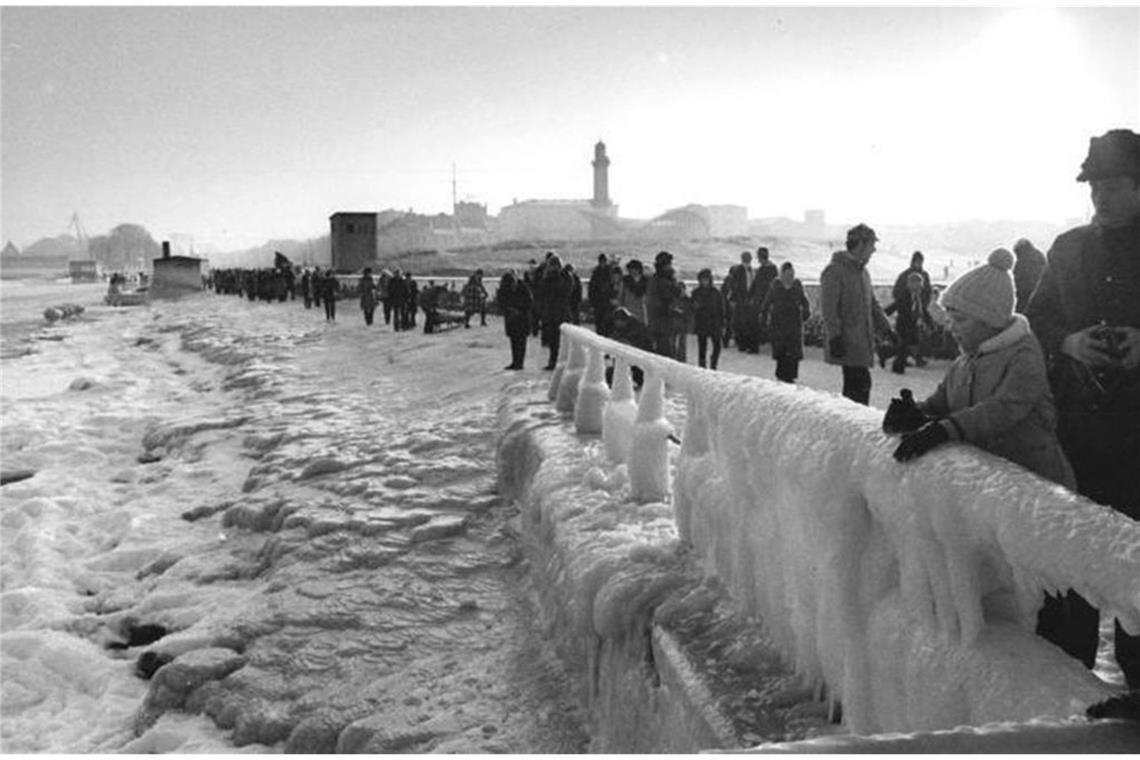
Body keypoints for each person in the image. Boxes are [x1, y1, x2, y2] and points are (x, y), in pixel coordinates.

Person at [1024, 127, 1140, 690]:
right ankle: (1066, 696)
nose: (1100, 196)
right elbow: (1037, 319)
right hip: (1078, 434)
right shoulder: (1067, 249)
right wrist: (1069, 342)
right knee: (1070, 562)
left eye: (1113, 185)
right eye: (1094, 186)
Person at [821, 223, 895, 405]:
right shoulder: (835, 271)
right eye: (871, 245)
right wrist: (835, 337)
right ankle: (853, 420)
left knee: (860, 386)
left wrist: (887, 330)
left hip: (862, 341)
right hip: (847, 342)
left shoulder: (863, 272)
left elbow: (873, 305)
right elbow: (829, 308)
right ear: (860, 245)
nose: (874, 250)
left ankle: (853, 418)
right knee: (858, 386)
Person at [760, 262, 811, 383]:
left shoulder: (797, 285)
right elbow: (766, 303)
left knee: (793, 351)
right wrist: (764, 318)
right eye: (787, 274)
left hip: (794, 323)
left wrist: (805, 313)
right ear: (782, 274)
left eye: (791, 274)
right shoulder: (775, 286)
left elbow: (805, 302)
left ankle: (791, 375)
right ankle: (781, 375)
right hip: (779, 323)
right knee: (781, 350)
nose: (790, 277)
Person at [883, 272, 935, 374]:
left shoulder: (917, 296)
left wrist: (930, 322)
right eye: (918, 284)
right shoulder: (904, 295)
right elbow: (894, 306)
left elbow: (923, 311)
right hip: (903, 325)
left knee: (907, 346)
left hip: (912, 326)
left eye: (921, 285)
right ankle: (897, 367)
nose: (920, 287)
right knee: (904, 346)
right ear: (910, 284)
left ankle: (886, 353)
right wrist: (882, 315)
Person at [537, 254, 574, 370]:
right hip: (550, 313)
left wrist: (555, 278)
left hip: (561, 313)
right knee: (552, 341)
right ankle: (553, 361)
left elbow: (566, 291)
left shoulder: (565, 276)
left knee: (562, 341)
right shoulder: (547, 278)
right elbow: (542, 292)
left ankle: (563, 362)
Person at [645, 251, 684, 359]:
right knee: (666, 353)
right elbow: (674, 293)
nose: (670, 266)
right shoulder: (661, 281)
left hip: (661, 322)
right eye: (668, 264)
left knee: (665, 351)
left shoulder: (657, 279)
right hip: (662, 323)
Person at [725, 251, 760, 352]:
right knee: (741, 322)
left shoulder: (753, 270)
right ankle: (742, 344)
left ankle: (748, 344)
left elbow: (754, 284)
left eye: (749, 257)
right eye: (746, 257)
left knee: (749, 322)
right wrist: (736, 298)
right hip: (741, 299)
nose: (748, 259)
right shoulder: (738, 270)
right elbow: (734, 285)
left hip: (750, 299)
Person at [497, 270, 533, 370]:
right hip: (511, 318)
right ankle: (515, 361)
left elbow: (529, 302)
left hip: (522, 318)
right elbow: (501, 302)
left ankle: (520, 363)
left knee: (521, 341)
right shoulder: (504, 288)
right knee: (513, 341)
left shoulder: (523, 287)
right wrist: (508, 309)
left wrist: (518, 309)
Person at [691, 268, 726, 370]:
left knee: (717, 346)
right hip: (702, 322)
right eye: (703, 279)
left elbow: (721, 308)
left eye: (706, 279)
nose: (705, 282)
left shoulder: (716, 292)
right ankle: (702, 367)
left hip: (715, 323)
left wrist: (723, 322)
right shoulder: (696, 292)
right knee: (702, 347)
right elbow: (693, 308)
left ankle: (713, 364)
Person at [1012, 238, 1047, 314]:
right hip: (1041, 293)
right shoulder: (1040, 256)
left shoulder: (1021, 262)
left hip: (1024, 295)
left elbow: (1017, 279)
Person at [753, 247, 779, 346]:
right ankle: (765, 337)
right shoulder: (773, 268)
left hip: (763, 297)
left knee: (762, 317)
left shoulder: (763, 269)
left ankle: (763, 337)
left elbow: (757, 284)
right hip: (766, 297)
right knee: (765, 317)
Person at [588, 253, 616, 337]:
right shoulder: (597, 272)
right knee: (599, 323)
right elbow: (592, 289)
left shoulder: (609, 271)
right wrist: (592, 302)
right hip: (599, 302)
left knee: (607, 323)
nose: (602, 263)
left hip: (607, 302)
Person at [619, 259, 648, 325]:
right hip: (628, 311)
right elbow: (621, 296)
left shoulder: (646, 281)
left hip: (642, 313)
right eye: (630, 269)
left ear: (639, 270)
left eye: (634, 269)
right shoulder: (625, 280)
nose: (632, 271)